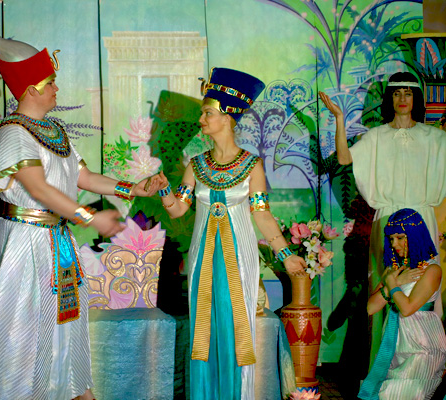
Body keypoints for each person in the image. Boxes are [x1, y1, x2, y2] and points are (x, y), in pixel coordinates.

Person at [0, 28, 162, 400]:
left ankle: (72, 390)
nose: (56, 89)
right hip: (26, 242)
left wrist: (133, 188)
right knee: (24, 328)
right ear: (31, 89)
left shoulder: (55, 130)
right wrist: (90, 218)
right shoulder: (12, 134)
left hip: (57, 241)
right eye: (50, 83)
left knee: (64, 322)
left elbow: (83, 177)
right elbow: (38, 189)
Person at [158, 67, 306, 399]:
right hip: (203, 258)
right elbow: (178, 209)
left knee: (235, 324)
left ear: (227, 117)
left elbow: (262, 215)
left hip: (239, 258)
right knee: (203, 325)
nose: (201, 119)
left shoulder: (252, 166)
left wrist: (285, 255)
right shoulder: (195, 165)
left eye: (207, 113)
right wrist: (164, 190)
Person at [319, 71, 446, 365]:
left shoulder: (435, 138)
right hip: (388, 221)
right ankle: (384, 364)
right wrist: (339, 118)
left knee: (423, 286)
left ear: (416, 98)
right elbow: (344, 158)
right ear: (390, 99)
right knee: (386, 285)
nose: (402, 99)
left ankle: (426, 362)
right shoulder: (376, 136)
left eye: (408, 93)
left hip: (422, 218)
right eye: (396, 93)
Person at [358, 208, 446, 399]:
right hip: (396, 346)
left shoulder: (432, 270)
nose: (394, 244)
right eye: (391, 239)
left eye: (400, 237)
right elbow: (371, 307)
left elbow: (406, 308)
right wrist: (394, 283)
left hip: (422, 348)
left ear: (415, 235)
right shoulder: (394, 269)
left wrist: (392, 284)